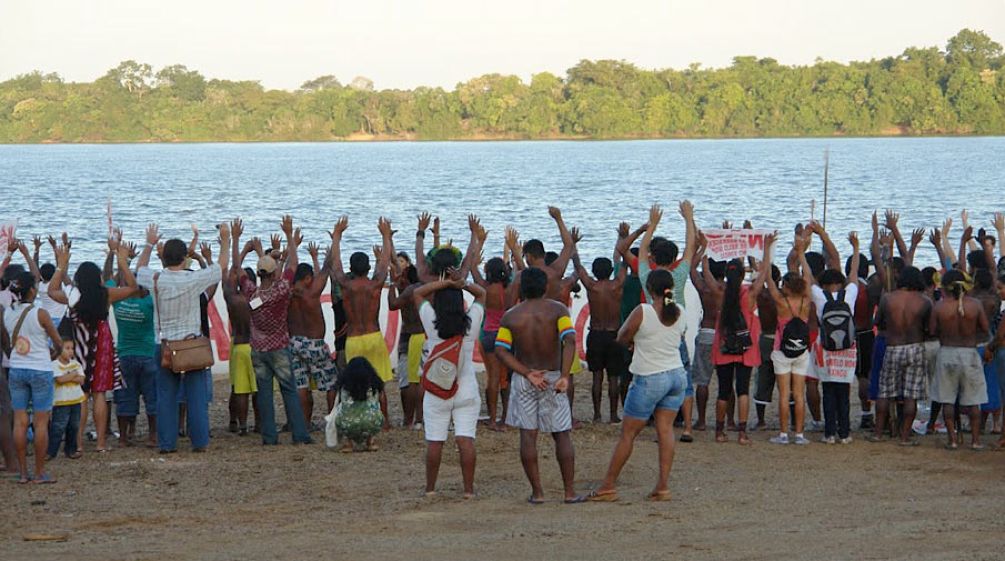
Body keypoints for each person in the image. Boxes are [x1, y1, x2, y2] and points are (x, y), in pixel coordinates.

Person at [587, 269, 688, 502]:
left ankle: (608, 485)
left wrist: (634, 343)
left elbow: (622, 336)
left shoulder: (644, 311)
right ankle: (662, 486)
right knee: (665, 430)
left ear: (649, 289)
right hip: (675, 374)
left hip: (649, 376)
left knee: (628, 434)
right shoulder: (679, 312)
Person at [134, 223, 229, 453]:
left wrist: (149, 243)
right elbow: (221, 267)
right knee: (196, 397)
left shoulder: (156, 280)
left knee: (166, 397)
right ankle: (200, 442)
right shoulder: (192, 279)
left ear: (164, 258)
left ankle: (167, 443)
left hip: (165, 343)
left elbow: (139, 268)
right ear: (185, 258)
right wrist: (225, 239)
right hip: (192, 343)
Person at [495, 267, 584, 504]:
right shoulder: (558, 310)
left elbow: (501, 350)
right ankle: (569, 492)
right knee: (561, 434)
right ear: (545, 287)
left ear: (521, 288)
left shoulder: (511, 316)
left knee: (528, 435)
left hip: (526, 379)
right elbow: (569, 340)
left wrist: (526, 372)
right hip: (553, 376)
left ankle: (538, 493)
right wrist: (564, 375)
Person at [48, 237, 136, 453]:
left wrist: (60, 265)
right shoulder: (106, 294)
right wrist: (122, 261)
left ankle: (77, 444)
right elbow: (132, 288)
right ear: (97, 278)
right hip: (102, 345)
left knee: (81, 395)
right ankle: (101, 444)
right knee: (100, 393)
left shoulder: (72, 295)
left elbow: (51, 290)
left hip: (78, 346)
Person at [235, 216, 311, 446]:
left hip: (257, 348)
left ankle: (269, 436)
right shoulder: (281, 290)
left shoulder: (250, 291)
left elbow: (238, 270)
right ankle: (299, 434)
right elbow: (293, 266)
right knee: (289, 391)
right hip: (278, 346)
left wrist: (240, 244)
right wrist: (289, 237)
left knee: (264, 393)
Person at [413, 275, 485, 499]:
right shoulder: (470, 323)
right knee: (465, 440)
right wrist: (462, 283)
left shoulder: (431, 321)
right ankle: (468, 490)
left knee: (435, 441)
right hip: (466, 388)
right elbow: (482, 294)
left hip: (438, 388)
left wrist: (444, 283)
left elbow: (418, 293)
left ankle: (430, 488)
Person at [329, 215, 394, 429]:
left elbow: (335, 265)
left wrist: (337, 237)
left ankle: (355, 419)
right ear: (368, 268)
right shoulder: (375, 285)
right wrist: (386, 236)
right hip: (374, 336)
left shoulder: (346, 286)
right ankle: (384, 422)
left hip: (354, 339)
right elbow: (384, 263)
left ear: (352, 267)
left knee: (354, 384)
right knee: (379, 385)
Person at [2, 268, 62, 483]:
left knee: (19, 421)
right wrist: (54, 354)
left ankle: (23, 473)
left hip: (17, 369)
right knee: (40, 422)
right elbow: (58, 342)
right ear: (30, 291)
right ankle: (39, 473)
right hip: (40, 368)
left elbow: (8, 344)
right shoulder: (40, 313)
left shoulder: (7, 312)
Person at [104, 233, 158, 448]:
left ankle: (125, 437)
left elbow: (107, 277)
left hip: (125, 354)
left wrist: (115, 254)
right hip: (147, 354)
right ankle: (153, 435)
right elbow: (136, 283)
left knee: (125, 397)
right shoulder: (149, 303)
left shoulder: (118, 301)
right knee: (151, 398)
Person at [868, 266, 931, 446]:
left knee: (885, 393)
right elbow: (930, 328)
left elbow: (877, 322)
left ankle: (878, 434)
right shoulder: (924, 301)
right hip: (915, 347)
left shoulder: (888, 298)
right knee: (911, 395)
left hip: (893, 346)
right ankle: (904, 437)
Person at [572, 235, 629, 424]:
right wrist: (623, 239)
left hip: (596, 334)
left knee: (597, 377)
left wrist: (573, 245)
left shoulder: (591, 286)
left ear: (594, 272)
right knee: (613, 378)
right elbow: (625, 262)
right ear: (610, 271)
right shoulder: (617, 285)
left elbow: (578, 268)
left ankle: (597, 415)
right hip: (614, 335)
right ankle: (613, 415)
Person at [931, 269, 990, 450]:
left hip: (947, 351)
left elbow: (932, 330)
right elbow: (985, 329)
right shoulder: (975, 305)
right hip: (969, 352)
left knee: (947, 399)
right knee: (974, 400)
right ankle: (975, 440)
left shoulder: (940, 306)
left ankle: (953, 439)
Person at [811, 233, 861, 444]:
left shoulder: (820, 297)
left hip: (827, 349)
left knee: (828, 391)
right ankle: (845, 433)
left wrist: (803, 250)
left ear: (823, 284)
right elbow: (853, 272)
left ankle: (829, 433)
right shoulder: (850, 294)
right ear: (840, 283)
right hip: (848, 349)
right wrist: (856, 248)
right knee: (844, 391)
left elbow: (807, 277)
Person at [766, 232, 814, 445]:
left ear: (786, 286)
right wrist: (802, 253)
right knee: (799, 394)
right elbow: (809, 277)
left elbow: (767, 277)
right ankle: (800, 434)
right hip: (802, 350)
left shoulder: (780, 301)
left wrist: (767, 250)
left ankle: (784, 434)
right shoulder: (806, 301)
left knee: (784, 394)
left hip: (781, 349)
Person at [288, 242, 337, 428]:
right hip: (315, 344)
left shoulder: (289, 293)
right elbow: (326, 269)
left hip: (294, 343)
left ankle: (304, 424)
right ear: (308, 278)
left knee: (301, 385)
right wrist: (334, 241)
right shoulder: (312, 293)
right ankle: (331, 421)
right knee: (331, 384)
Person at [471, 255, 515, 431]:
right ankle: (505, 417)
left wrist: (479, 244)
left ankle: (492, 418)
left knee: (493, 378)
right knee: (505, 379)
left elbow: (472, 270)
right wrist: (514, 251)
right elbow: (520, 273)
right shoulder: (509, 289)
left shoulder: (485, 287)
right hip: (505, 334)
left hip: (488, 334)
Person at [225, 220, 259, 434]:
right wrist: (258, 252)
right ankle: (260, 424)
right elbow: (271, 277)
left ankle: (242, 425)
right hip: (255, 345)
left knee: (240, 390)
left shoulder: (232, 299)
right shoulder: (259, 299)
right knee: (258, 390)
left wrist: (239, 244)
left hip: (238, 346)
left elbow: (231, 275)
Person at [689, 240, 724, 434]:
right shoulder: (729, 289)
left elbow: (691, 269)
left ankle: (701, 420)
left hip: (706, 333)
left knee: (703, 381)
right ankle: (728, 421)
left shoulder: (704, 288)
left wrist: (702, 250)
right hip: (724, 335)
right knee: (726, 382)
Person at [388, 254, 426, 430]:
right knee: (420, 380)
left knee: (412, 382)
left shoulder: (410, 291)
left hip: (413, 336)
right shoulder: (426, 288)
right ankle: (419, 418)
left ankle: (412, 419)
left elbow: (393, 304)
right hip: (424, 335)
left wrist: (392, 285)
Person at [335, 357, 385, 452]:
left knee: (342, 415)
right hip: (372, 422)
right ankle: (370, 441)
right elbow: (381, 402)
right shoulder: (374, 386)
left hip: (347, 424)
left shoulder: (344, 388)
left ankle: (348, 443)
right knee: (373, 413)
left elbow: (340, 404)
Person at [47, 337, 86, 460]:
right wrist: (73, 374)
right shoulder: (54, 365)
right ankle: (51, 451)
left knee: (73, 426)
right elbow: (60, 379)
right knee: (58, 426)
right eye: (67, 348)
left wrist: (68, 376)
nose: (70, 351)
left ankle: (70, 450)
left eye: (72, 348)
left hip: (76, 400)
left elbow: (82, 380)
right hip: (61, 402)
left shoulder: (76, 364)